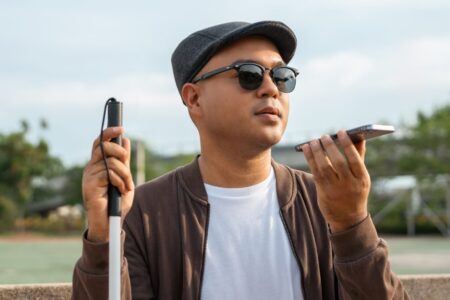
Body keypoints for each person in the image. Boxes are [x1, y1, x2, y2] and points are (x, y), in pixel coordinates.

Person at [72, 21, 409, 299]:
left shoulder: (325, 202)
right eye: (249, 74)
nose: (270, 88)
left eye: (282, 76)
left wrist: (352, 225)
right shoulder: (143, 214)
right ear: (194, 99)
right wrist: (104, 235)